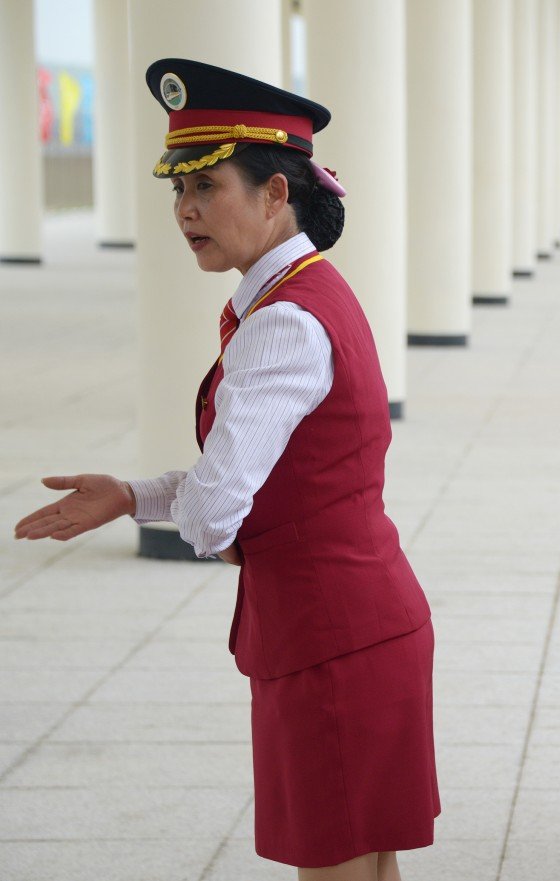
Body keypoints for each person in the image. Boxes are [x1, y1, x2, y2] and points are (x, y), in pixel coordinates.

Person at [14, 58, 437, 880]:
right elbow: (254, 478)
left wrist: (213, 521)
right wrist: (132, 496)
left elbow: (216, 506)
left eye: (208, 187)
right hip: (357, 624)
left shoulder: (281, 324)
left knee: (340, 869)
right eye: (179, 191)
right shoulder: (303, 295)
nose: (186, 211)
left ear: (277, 192)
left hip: (328, 640)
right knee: (367, 867)